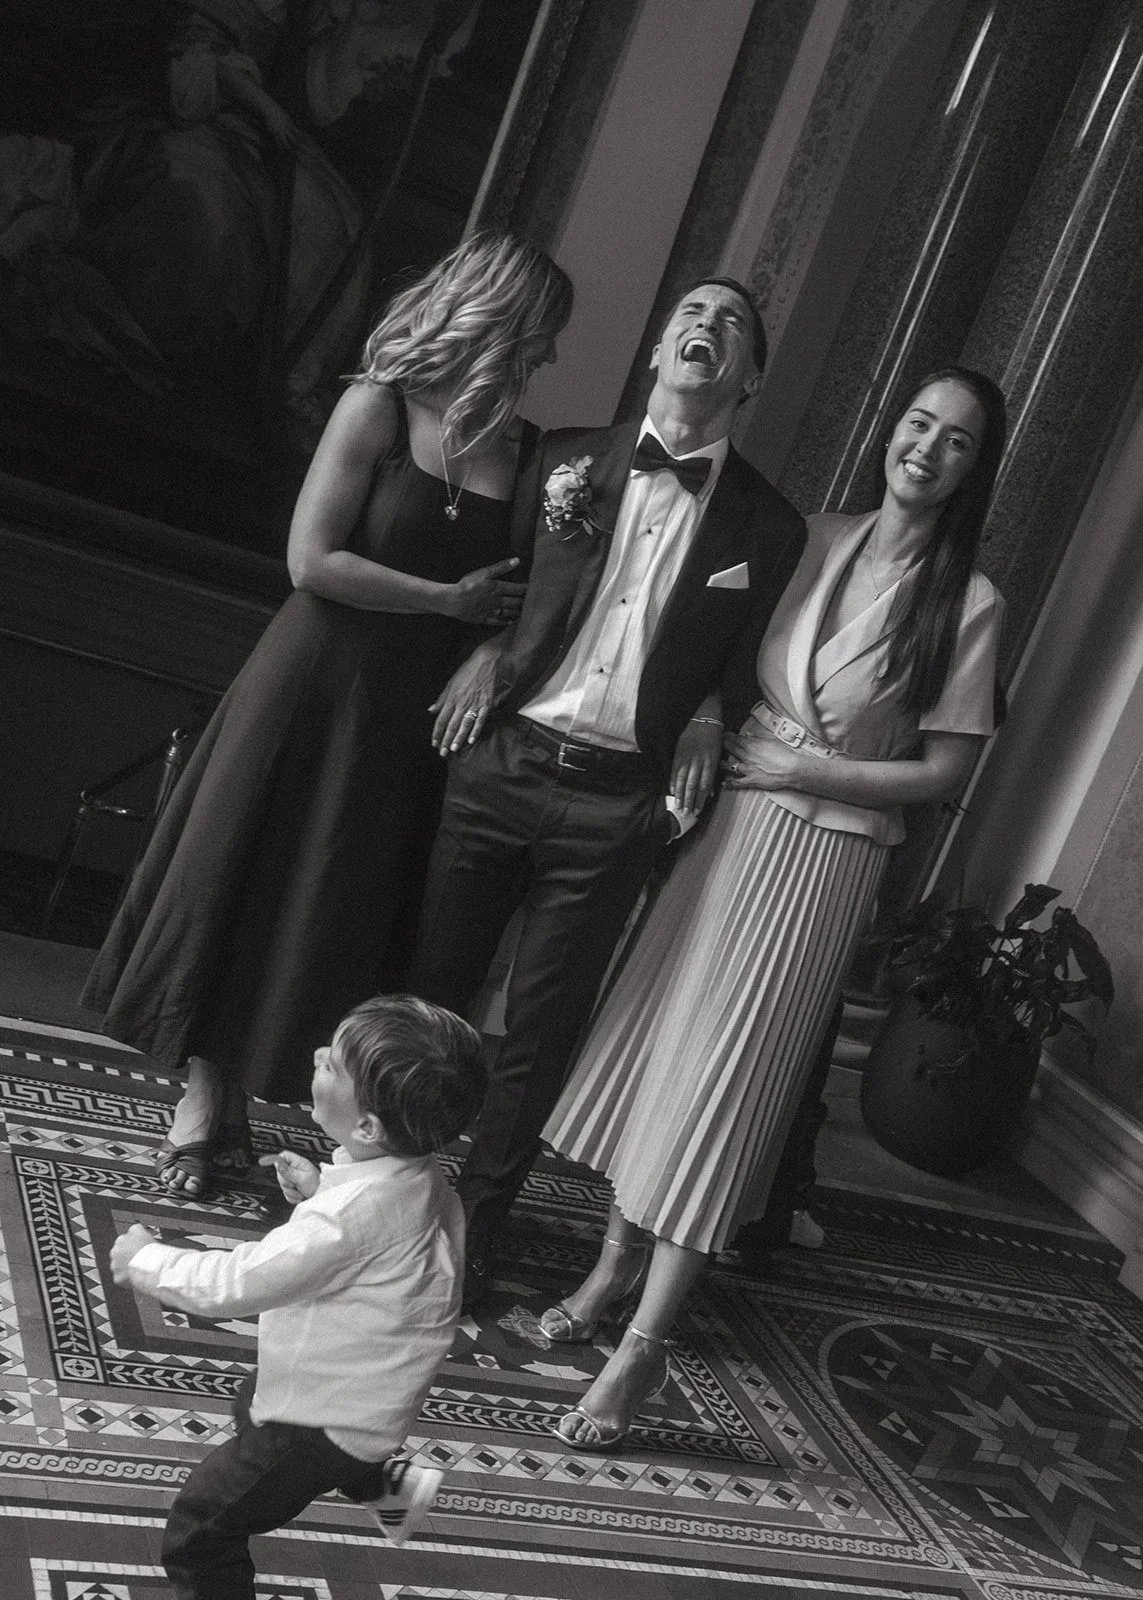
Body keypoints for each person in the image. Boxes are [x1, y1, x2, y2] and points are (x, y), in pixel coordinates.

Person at [540, 366, 1008, 1448]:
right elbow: (712, 649)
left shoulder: (970, 604)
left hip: (821, 857)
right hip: (731, 831)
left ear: (974, 472)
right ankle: (610, 1268)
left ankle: (645, 1346)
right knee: (666, 1051)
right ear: (892, 428)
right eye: (919, 425)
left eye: (956, 444)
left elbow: (942, 772)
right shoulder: (814, 536)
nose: (927, 451)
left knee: (730, 1082)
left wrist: (813, 776)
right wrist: (708, 718)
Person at [83, 232, 572, 1198]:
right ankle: (202, 1105)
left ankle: (314, 1117)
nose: (548, 356)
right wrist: (446, 603)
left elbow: (518, 594)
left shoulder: (527, 453)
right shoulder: (377, 407)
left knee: (337, 904)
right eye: (542, 333)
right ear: (495, 316)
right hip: (312, 685)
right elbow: (312, 562)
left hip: (411, 719)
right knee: (252, 875)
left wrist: (480, 644)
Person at [409, 276, 807, 1310]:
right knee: (431, 987)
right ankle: (376, 1194)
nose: (703, 327)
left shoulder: (770, 526)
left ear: (750, 374)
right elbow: (499, 584)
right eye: (688, 310)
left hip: (617, 802)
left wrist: (716, 711)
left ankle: (474, 1228)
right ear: (657, 348)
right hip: (503, 763)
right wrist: (491, 647)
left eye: (730, 324)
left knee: (539, 1030)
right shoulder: (565, 458)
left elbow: (755, 656)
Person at [110, 993, 486, 1587]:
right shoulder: (424, 1177)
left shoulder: (345, 1222)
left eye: (332, 1064)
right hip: (362, 1387)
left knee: (202, 1530)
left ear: (366, 1125)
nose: (316, 1055)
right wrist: (319, 1191)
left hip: (315, 1420)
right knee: (251, 1402)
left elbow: (238, 1283)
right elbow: (382, 1238)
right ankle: (395, 1489)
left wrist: (146, 1259)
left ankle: (361, 1472)